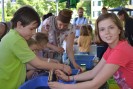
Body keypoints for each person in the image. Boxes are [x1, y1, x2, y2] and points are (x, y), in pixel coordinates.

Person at [48, 13, 133, 89]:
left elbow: (95, 84)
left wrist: (63, 87)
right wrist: (69, 78)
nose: (107, 32)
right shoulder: (112, 48)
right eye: (102, 29)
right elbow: (93, 72)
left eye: (111, 27)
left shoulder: (120, 50)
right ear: (98, 32)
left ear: (119, 29)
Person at [0, 6, 71, 89]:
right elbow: (38, 64)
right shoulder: (16, 40)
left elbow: (22, 65)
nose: (34, 33)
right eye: (31, 29)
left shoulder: (13, 36)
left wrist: (51, 64)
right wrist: (62, 67)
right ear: (19, 25)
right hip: (8, 85)